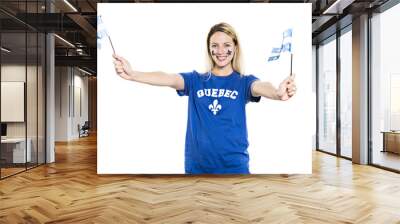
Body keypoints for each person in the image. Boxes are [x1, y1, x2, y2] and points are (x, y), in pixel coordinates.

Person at [113, 22, 296, 174]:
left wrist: (278, 94)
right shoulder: (195, 80)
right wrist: (134, 74)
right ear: (209, 49)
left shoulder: (243, 82)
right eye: (214, 45)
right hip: (197, 166)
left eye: (226, 45)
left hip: (234, 166)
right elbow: (168, 78)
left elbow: (262, 87)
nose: (220, 51)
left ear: (235, 47)